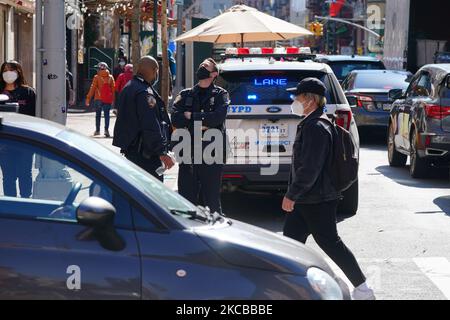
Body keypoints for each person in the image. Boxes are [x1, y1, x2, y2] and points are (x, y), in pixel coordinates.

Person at [281, 78, 375, 300]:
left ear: (310, 100)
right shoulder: (313, 122)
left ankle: (363, 289)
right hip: (310, 198)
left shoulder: (316, 127)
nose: (294, 100)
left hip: (317, 199)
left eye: (299, 96)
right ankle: (289, 288)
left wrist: (292, 194)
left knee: (330, 244)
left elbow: (310, 168)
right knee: (290, 244)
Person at [171, 58, 230, 214]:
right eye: (200, 65)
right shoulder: (186, 94)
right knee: (186, 203)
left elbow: (218, 118)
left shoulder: (220, 95)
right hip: (188, 154)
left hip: (212, 155)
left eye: (205, 66)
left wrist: (192, 117)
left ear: (214, 74)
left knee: (212, 204)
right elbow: (175, 118)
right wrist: (204, 121)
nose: (201, 68)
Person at [112, 56, 174, 181]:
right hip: (146, 155)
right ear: (152, 70)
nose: (156, 74)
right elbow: (150, 124)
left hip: (132, 151)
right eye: (156, 71)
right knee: (153, 194)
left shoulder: (129, 87)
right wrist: (162, 152)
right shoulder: (144, 92)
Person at [0, 60, 36, 198]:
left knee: (25, 174)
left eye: (11, 69)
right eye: (5, 70)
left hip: (25, 142)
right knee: (8, 177)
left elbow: (35, 118)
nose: (8, 73)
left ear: (18, 72)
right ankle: (12, 207)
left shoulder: (28, 92)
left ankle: (26, 203)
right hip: (4, 144)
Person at [85, 62, 115, 138]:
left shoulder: (96, 77)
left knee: (98, 115)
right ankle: (106, 130)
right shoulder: (110, 77)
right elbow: (113, 89)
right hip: (107, 99)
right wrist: (113, 100)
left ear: (99, 69)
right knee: (106, 115)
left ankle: (98, 130)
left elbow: (92, 88)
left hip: (98, 99)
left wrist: (88, 98)